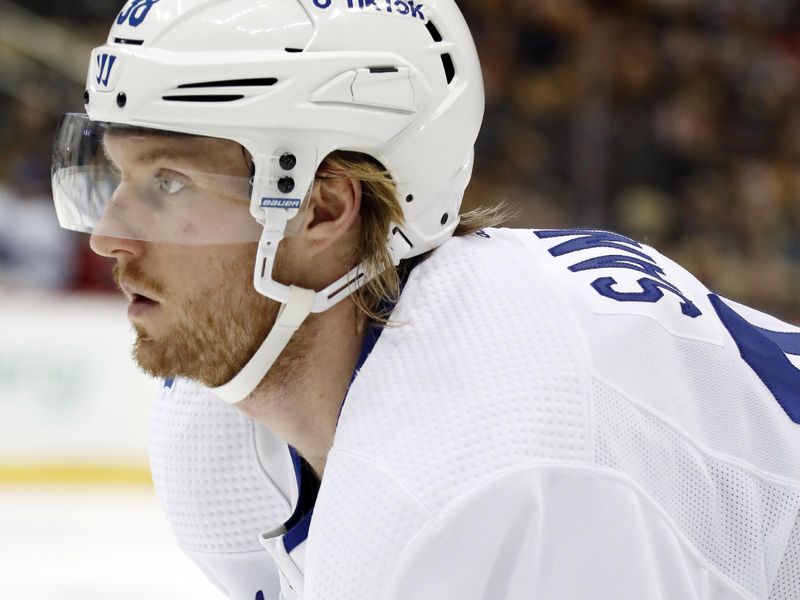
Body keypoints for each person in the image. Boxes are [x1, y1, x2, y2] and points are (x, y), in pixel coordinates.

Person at [51, 0, 800, 598]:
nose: (108, 236)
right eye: (116, 177)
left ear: (321, 210)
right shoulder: (219, 436)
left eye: (168, 183)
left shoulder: (482, 472)